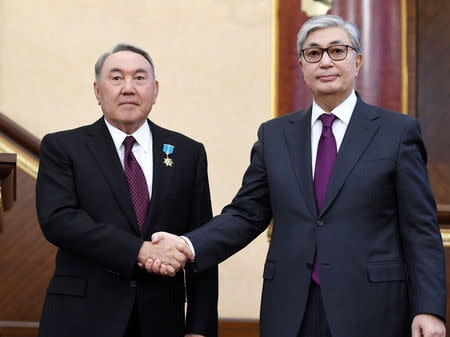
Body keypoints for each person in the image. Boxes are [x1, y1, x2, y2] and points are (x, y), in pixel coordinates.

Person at [146, 15, 447, 337]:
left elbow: (420, 229)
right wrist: (189, 244)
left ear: (357, 61)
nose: (326, 61)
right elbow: (246, 214)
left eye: (337, 51)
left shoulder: (397, 132)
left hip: (371, 306)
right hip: (291, 307)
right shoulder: (275, 135)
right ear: (302, 66)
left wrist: (429, 309)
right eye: (313, 53)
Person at [36, 43, 218, 337]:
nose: (128, 88)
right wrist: (140, 250)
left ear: (155, 90)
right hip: (80, 318)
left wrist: (199, 327)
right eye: (117, 78)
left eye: (140, 78)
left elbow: (201, 241)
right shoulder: (63, 147)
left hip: (161, 320)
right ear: (97, 90)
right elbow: (59, 221)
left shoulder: (187, 152)